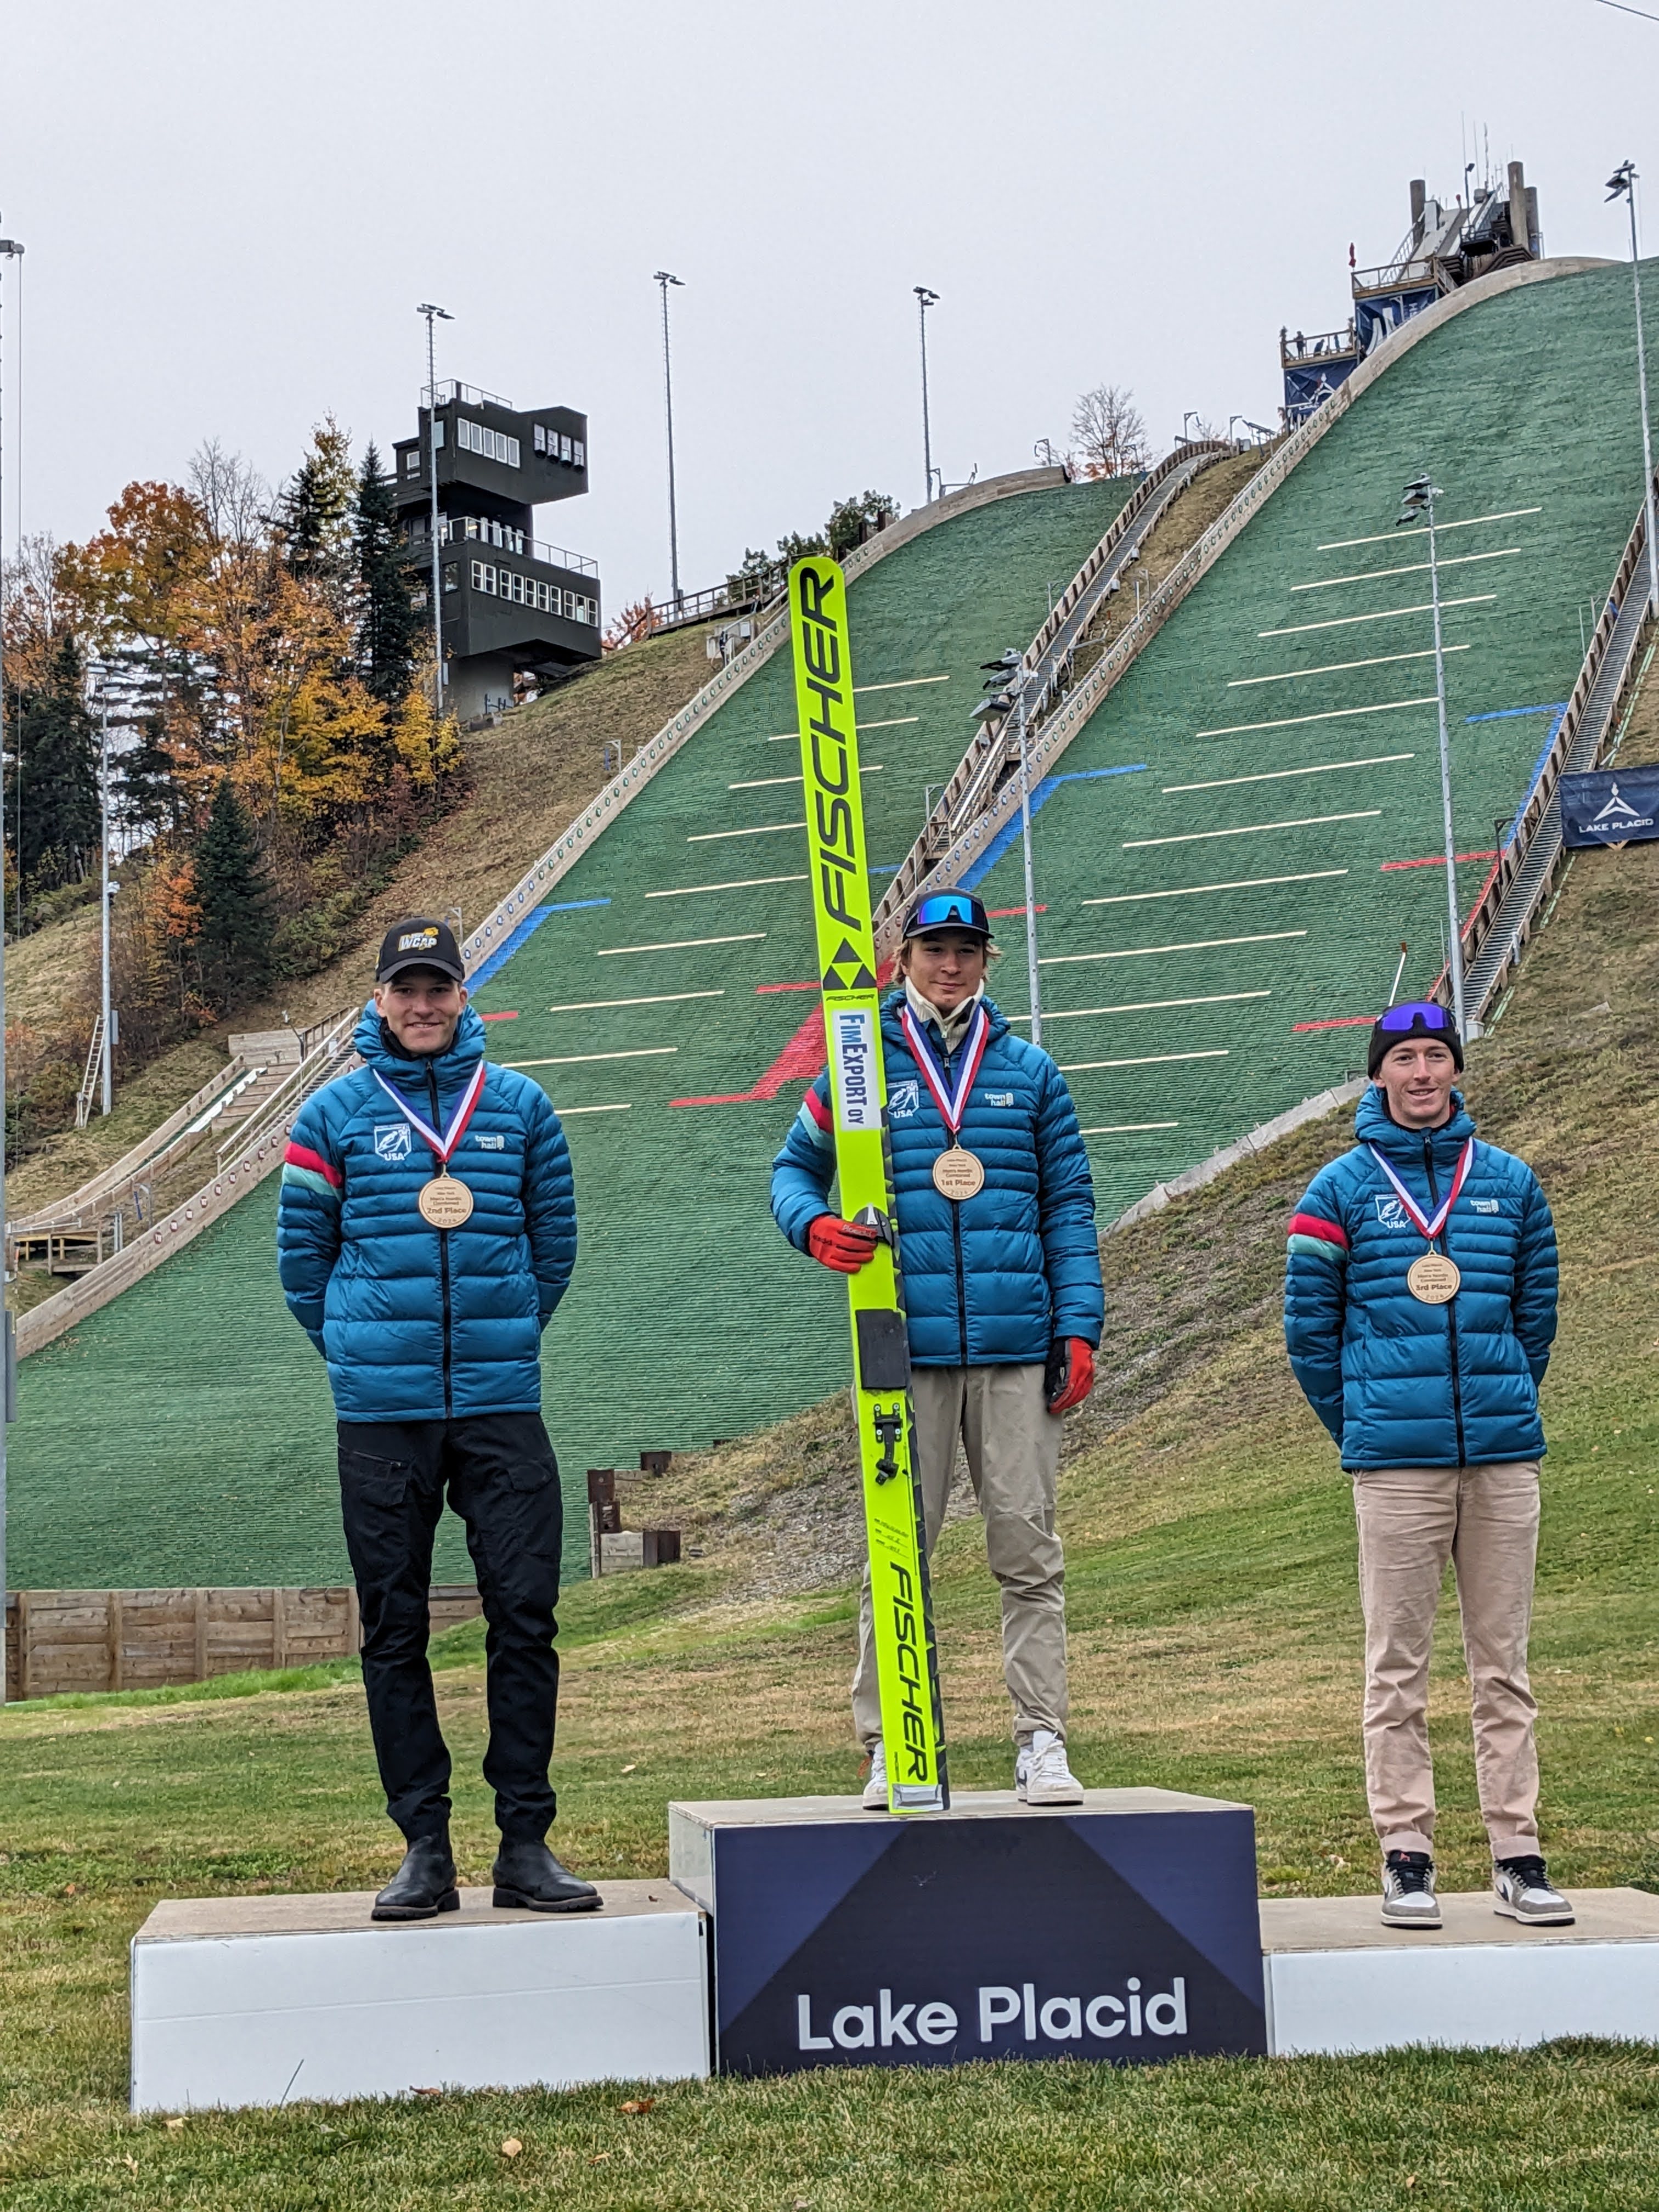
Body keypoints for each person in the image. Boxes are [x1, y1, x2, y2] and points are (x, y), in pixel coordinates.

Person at [278, 917, 597, 1921]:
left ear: (466, 997)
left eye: (439, 988)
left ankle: (525, 1844)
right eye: (405, 989)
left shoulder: (521, 1109)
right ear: (378, 1001)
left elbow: (556, 1246)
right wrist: (365, 1348)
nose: (422, 1005)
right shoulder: (329, 1117)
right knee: (394, 1629)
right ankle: (423, 1846)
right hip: (382, 1414)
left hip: (503, 1405)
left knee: (526, 1617)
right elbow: (302, 1268)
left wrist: (503, 1336)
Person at [770, 887, 1105, 1809]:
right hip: (900, 1346)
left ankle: (1041, 1738)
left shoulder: (1030, 1073)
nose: (949, 965)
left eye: (966, 949)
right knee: (897, 1550)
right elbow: (792, 1171)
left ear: (988, 960)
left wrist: (1077, 1324)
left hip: (1011, 1350)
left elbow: (1069, 1209)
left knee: (1028, 1551)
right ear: (904, 958)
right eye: (932, 948)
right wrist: (815, 1228)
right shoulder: (859, 1061)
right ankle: (892, 1745)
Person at [1284, 999, 1569, 1928]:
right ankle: (1406, 1856)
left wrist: (1500, 1405)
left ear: (1455, 1070)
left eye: (1435, 1056)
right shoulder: (1336, 1190)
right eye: (1403, 1058)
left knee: (1504, 1666)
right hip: (1395, 1467)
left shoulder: (1512, 1183)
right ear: (1378, 1074)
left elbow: (1536, 1321)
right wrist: (1365, 1423)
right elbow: (1310, 1338)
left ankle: (1517, 1855)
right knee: (1396, 1669)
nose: (1420, 1074)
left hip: (1500, 1462)